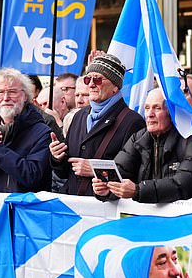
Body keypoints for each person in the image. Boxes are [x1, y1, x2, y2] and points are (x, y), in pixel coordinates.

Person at [92, 88, 192, 203]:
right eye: (146, 108)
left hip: (187, 221)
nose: (149, 114)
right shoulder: (138, 138)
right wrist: (107, 189)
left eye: (156, 108)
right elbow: (120, 173)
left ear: (171, 112)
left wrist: (138, 190)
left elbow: (185, 183)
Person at [50, 53, 144, 196]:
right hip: (74, 205)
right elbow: (65, 173)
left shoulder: (132, 121)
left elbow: (133, 174)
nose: (91, 84)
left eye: (98, 79)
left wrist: (95, 169)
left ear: (115, 87)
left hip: (105, 209)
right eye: (88, 79)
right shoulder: (79, 116)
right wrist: (58, 157)